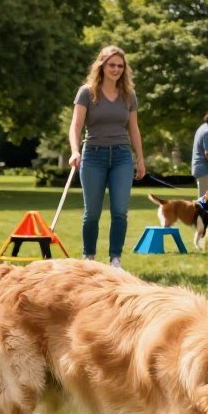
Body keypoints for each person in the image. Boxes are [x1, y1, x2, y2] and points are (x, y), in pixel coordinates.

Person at [68, 45, 146, 268]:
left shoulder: (129, 96)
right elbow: (75, 126)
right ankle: (89, 259)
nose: (116, 69)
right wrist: (75, 150)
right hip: (93, 155)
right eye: (112, 65)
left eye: (120, 66)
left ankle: (115, 260)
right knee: (92, 212)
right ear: (101, 66)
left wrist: (140, 159)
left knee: (120, 211)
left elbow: (134, 130)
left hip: (121, 156)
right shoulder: (87, 92)